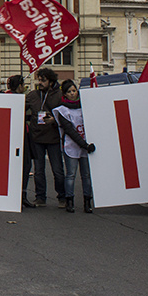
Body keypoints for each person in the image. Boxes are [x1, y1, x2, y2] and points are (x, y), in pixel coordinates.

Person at [53, 80, 96, 213]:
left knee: (87, 175)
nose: (72, 93)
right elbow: (70, 131)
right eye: (69, 92)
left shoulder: (85, 107)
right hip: (72, 146)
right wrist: (84, 145)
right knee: (71, 175)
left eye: (74, 90)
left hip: (86, 146)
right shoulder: (62, 110)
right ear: (65, 94)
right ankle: (69, 200)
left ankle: (87, 201)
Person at [26, 67, 66, 207]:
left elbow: (66, 115)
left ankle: (62, 196)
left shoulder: (60, 95)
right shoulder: (32, 95)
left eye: (43, 80)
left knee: (58, 170)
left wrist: (55, 121)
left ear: (51, 81)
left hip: (53, 137)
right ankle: (40, 197)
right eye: (39, 80)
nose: (40, 83)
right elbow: (20, 109)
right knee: (38, 171)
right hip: (36, 137)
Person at [7, 74, 35, 208]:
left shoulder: (13, 98)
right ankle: (19, 195)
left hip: (22, 135)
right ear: (19, 86)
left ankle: (21, 195)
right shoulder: (17, 99)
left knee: (24, 166)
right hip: (18, 136)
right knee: (23, 166)